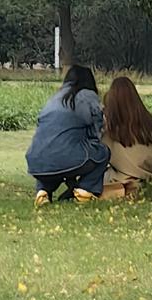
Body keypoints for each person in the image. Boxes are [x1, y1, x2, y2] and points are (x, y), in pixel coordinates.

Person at [25, 66, 110, 207]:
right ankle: (85, 190)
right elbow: (96, 133)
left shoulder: (54, 98)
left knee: (52, 160)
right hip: (68, 158)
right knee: (102, 152)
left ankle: (43, 191)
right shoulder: (87, 95)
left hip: (35, 162)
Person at [101, 76, 152, 195]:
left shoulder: (113, 129)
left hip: (126, 175)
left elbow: (102, 150)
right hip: (151, 171)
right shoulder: (148, 119)